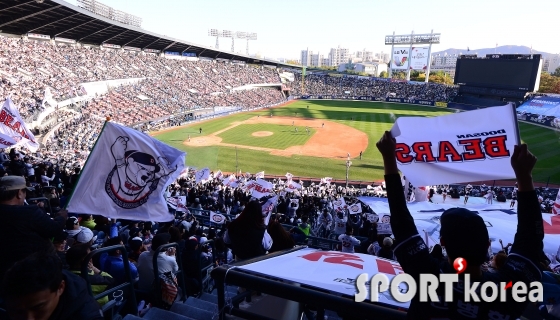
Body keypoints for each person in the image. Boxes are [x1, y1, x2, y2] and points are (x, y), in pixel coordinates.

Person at [377, 131, 544, 319]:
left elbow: (401, 222)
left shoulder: (428, 276)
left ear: (443, 242)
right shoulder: (510, 291)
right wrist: (525, 177)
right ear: (488, 245)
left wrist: (390, 159)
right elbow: (531, 239)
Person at [0, 252, 104, 320]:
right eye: (17, 311)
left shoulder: (87, 315)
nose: (28, 318)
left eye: (38, 307)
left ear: (60, 288)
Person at [0, 176, 68, 277]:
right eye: (24, 192)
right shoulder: (28, 212)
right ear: (19, 193)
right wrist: (61, 217)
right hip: (33, 270)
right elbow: (54, 229)